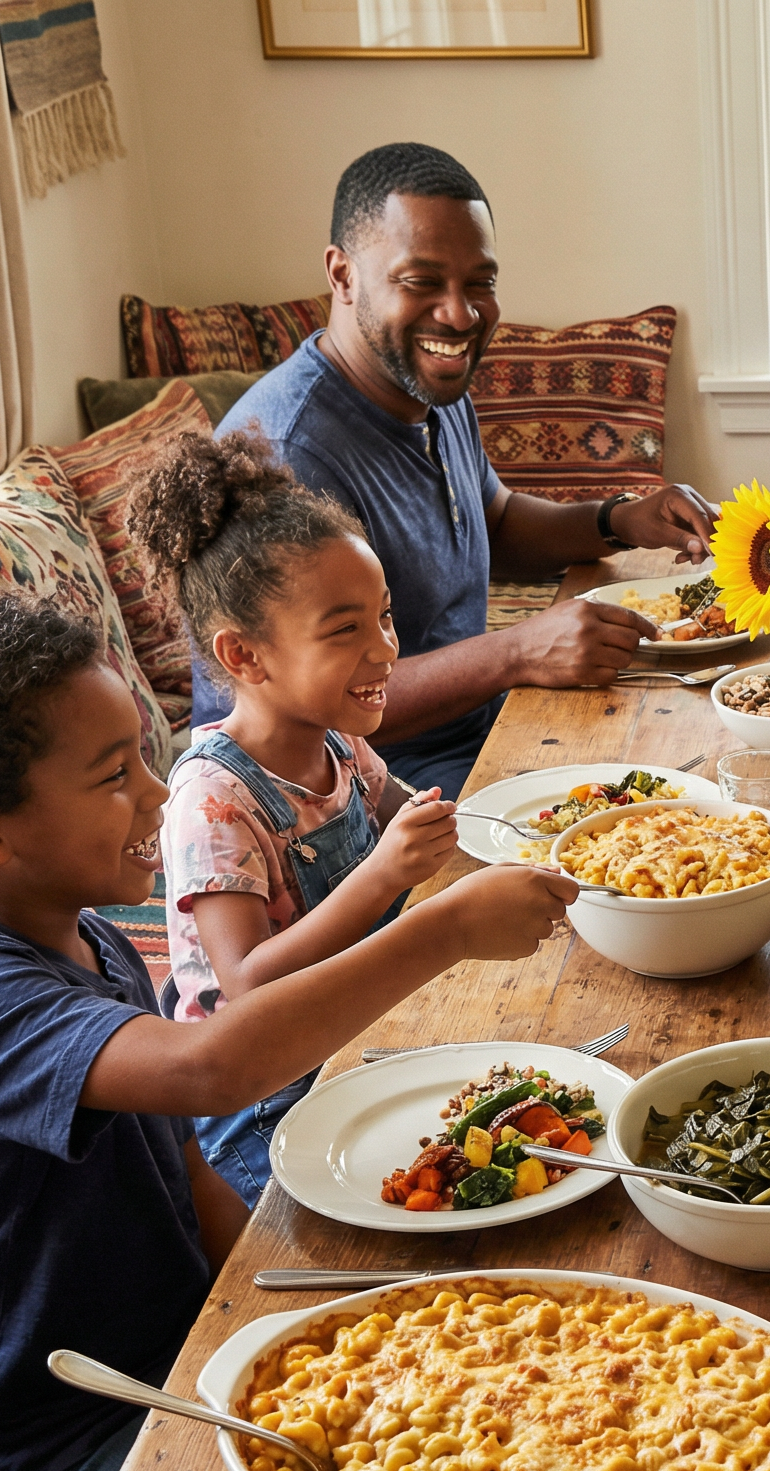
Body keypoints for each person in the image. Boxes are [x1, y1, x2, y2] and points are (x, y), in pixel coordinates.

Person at [0, 591, 575, 1471]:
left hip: (166, 1363)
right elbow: (214, 1067)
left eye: (145, 756)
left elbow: (181, 1157)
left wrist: (305, 1313)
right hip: (25, 1444)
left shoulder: (82, 930)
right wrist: (438, 930)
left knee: (478, 1441)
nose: (156, 792)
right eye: (113, 776)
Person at [216, 142, 718, 800]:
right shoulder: (288, 453)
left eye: (479, 282)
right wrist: (517, 652)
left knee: (703, 746)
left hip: (480, 727)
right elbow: (315, 706)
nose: (461, 314)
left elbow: (494, 519)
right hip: (354, 793)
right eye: (421, 282)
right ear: (342, 276)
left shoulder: (425, 389)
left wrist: (618, 519)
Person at [139, 430, 461, 1204]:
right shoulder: (213, 801)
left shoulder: (337, 740)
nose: (385, 650)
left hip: (356, 1034)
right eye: (345, 630)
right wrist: (385, 872)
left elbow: (417, 814)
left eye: (383, 617)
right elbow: (246, 984)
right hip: (267, 1098)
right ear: (245, 657)